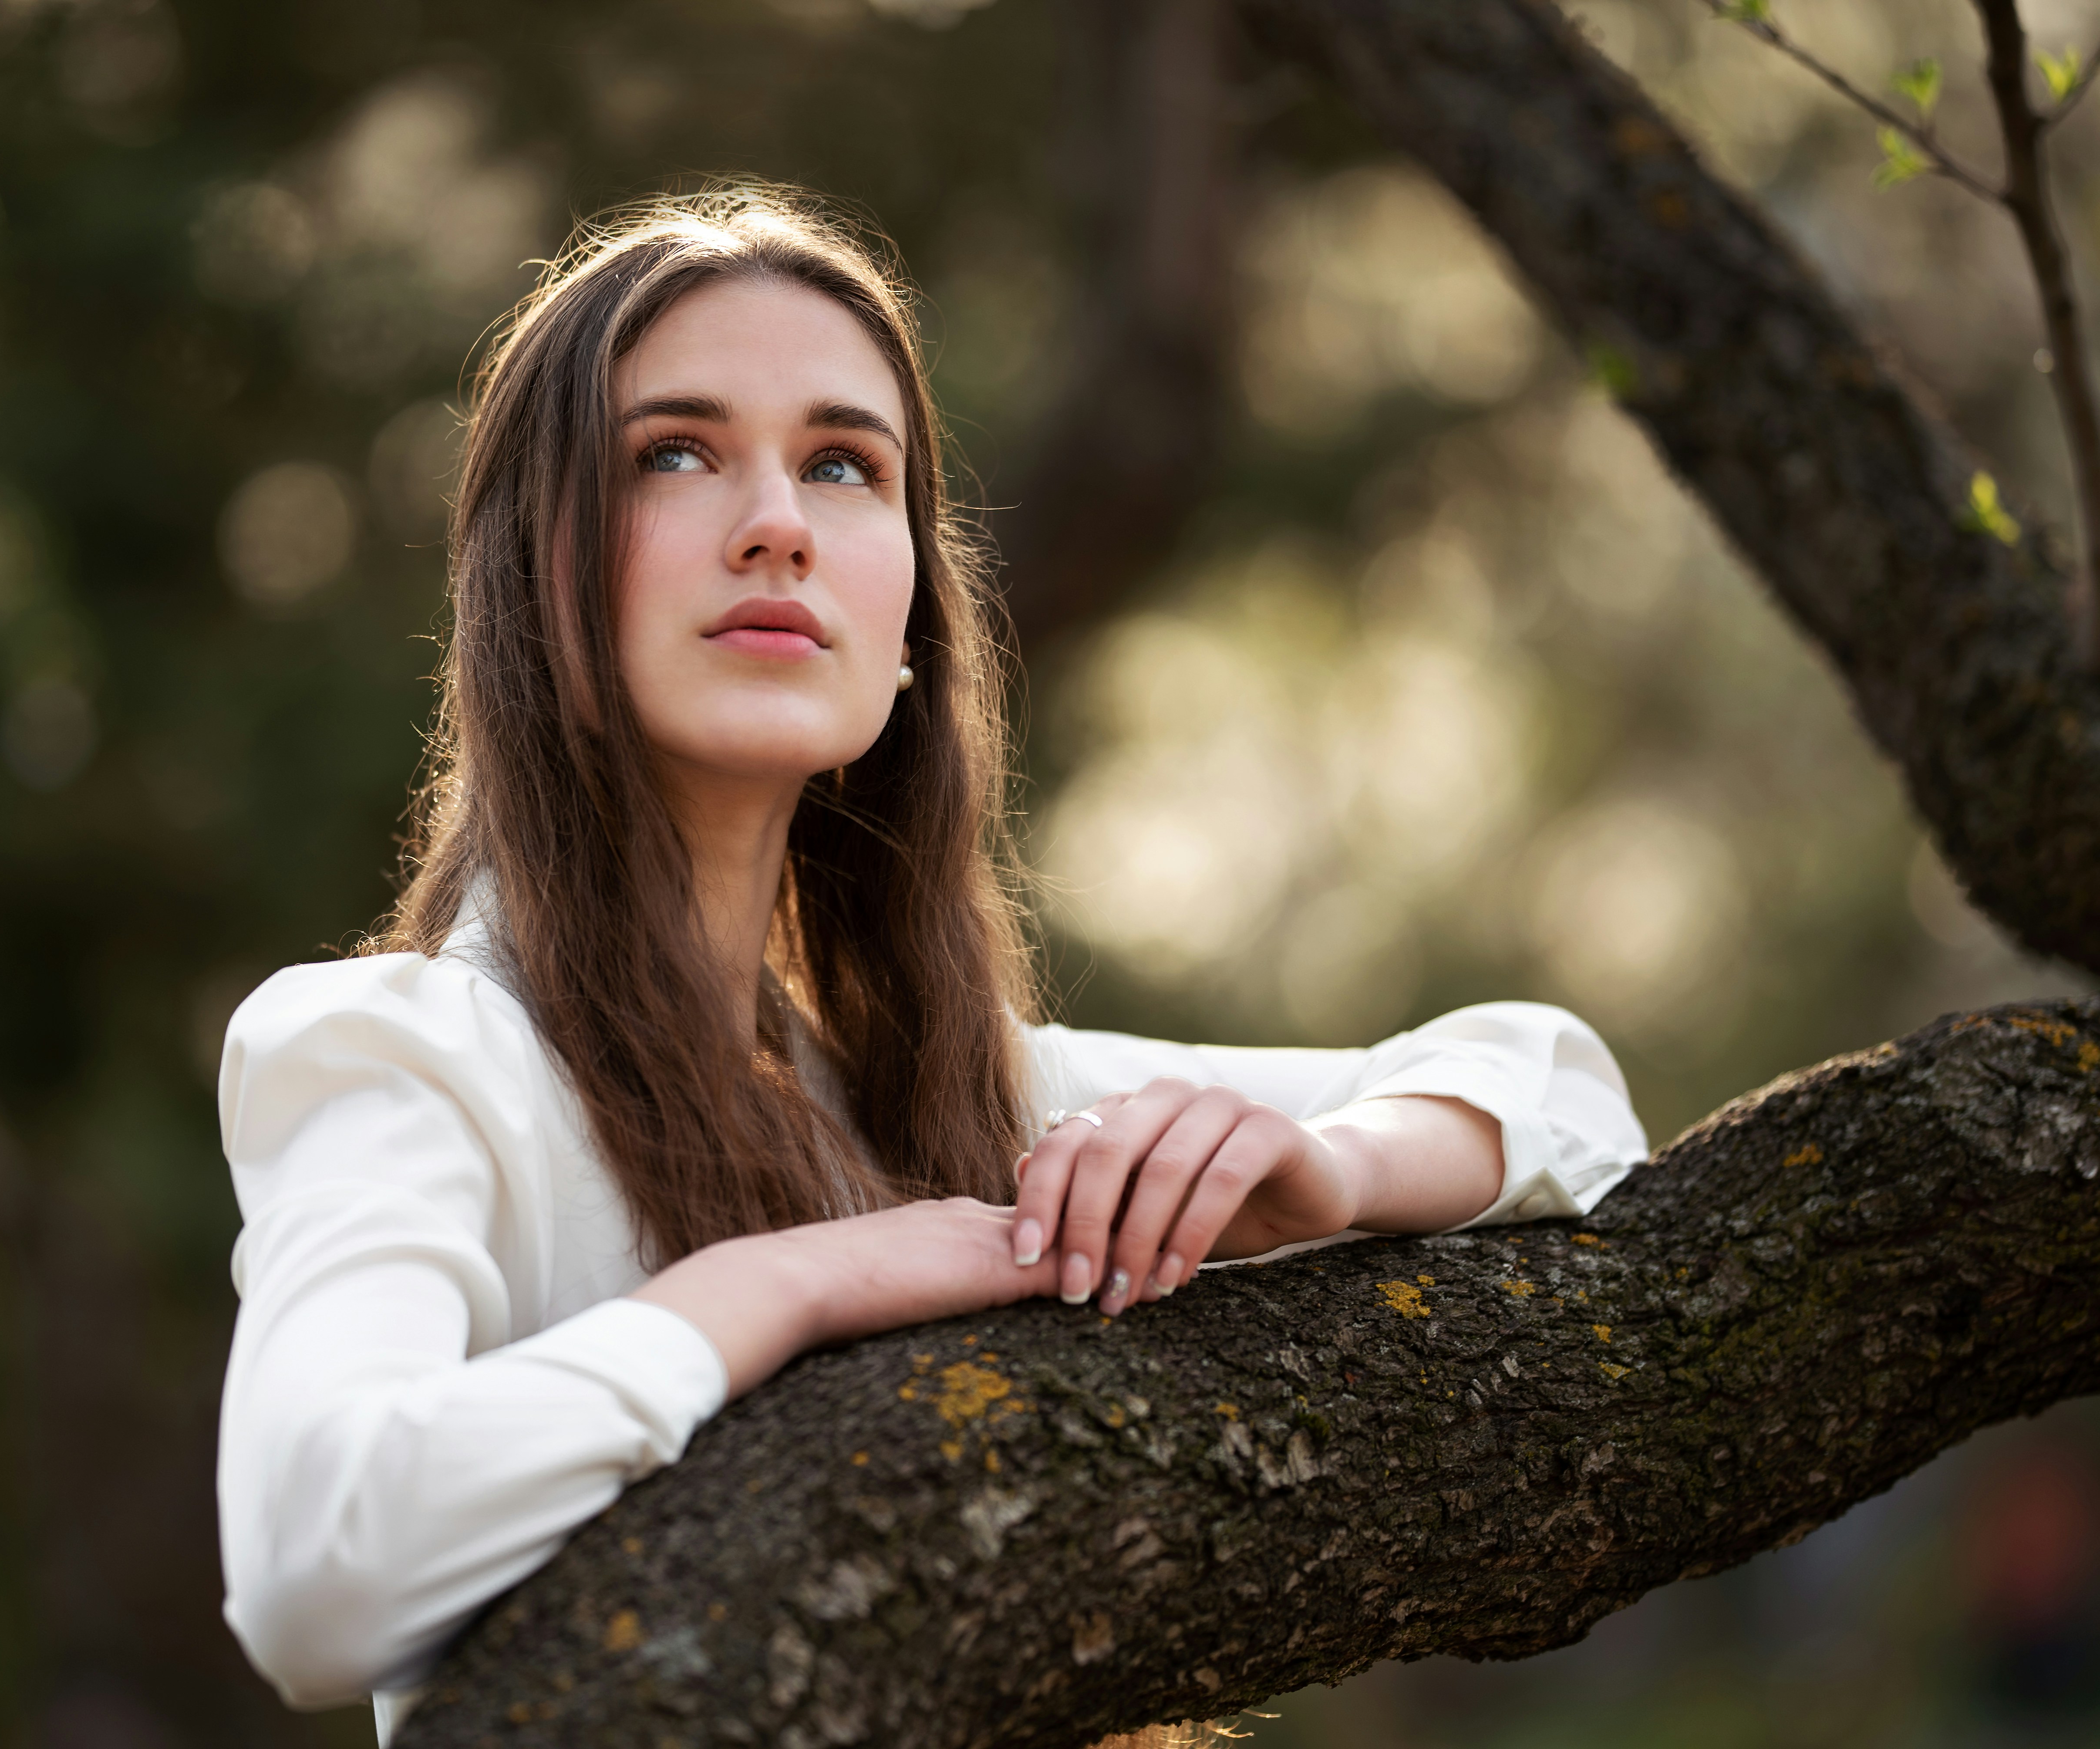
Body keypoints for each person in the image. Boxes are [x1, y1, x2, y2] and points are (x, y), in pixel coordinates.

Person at [213, 188, 1647, 1743]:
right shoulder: (411, 1055)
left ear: (908, 623)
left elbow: (1567, 1092)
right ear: (531, 577)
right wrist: (788, 1283)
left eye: (844, 466)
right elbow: (312, 1571)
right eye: (673, 454)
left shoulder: (963, 1103)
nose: (778, 522)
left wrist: (1332, 1171)